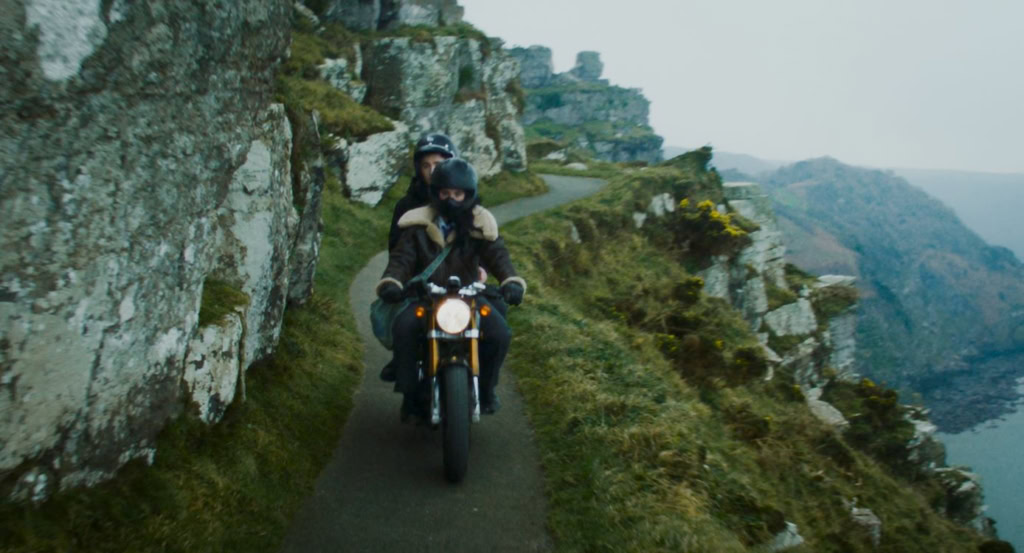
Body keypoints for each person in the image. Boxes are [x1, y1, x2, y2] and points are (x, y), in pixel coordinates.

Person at [376, 158, 525, 419]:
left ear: (469, 194)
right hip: (427, 295)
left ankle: (487, 390)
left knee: (500, 334)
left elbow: (498, 256)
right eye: (445, 193)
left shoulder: (481, 225)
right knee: (404, 327)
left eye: (458, 193)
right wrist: (392, 282)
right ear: (436, 193)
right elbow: (401, 259)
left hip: (469, 297)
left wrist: (511, 282)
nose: (451, 199)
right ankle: (409, 395)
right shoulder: (417, 226)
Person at [388, 132, 458, 252]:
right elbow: (396, 251)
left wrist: (481, 267)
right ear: (419, 170)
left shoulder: (464, 201)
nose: (432, 171)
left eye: (437, 164)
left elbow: (483, 245)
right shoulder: (405, 206)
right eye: (426, 166)